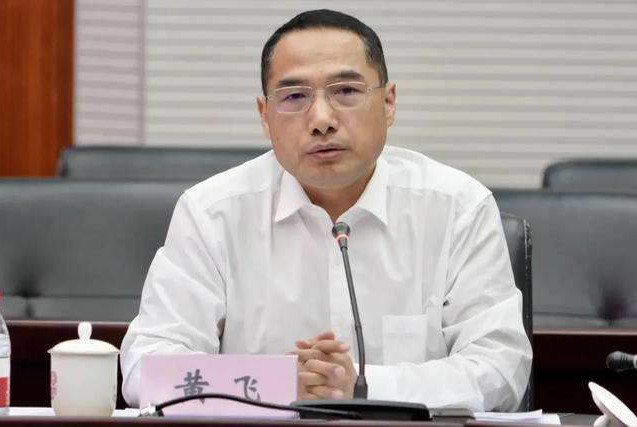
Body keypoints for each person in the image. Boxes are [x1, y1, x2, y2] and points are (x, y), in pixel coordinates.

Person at [121, 9, 532, 411]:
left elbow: (500, 367)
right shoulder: (212, 214)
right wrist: (274, 384)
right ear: (265, 116)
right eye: (294, 96)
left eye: (346, 92)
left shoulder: (458, 208)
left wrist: (362, 386)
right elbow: (146, 368)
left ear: (388, 103)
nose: (321, 119)